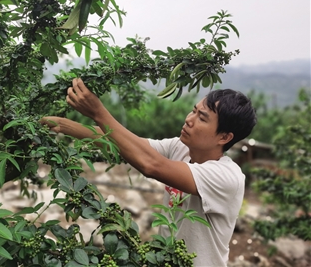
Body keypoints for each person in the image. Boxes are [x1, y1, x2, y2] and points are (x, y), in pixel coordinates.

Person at [40, 78, 257, 267]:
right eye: (193, 110)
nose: (189, 119)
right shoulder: (180, 148)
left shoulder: (227, 177)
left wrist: (98, 112)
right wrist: (63, 125)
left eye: (202, 118)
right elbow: (124, 142)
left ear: (224, 137)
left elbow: (151, 165)